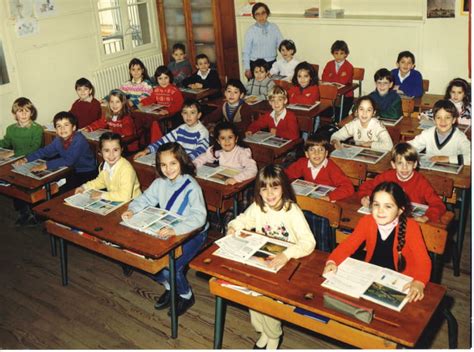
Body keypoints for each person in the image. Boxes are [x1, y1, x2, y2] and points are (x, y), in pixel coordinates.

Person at [227, 164, 315, 349]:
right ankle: (263, 331)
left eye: (275, 187)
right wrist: (234, 225)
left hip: (288, 263)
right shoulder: (259, 207)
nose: (269, 193)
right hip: (264, 259)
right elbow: (243, 219)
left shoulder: (292, 211)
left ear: (283, 187)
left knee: (267, 300)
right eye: (264, 188)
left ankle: (273, 337)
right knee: (251, 292)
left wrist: (286, 254)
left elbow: (308, 242)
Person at [122, 142, 208, 316]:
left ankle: (185, 295)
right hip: (167, 227)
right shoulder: (160, 182)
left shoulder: (191, 186)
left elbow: (199, 217)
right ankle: (171, 287)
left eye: (173, 164)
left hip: (192, 232)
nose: (168, 169)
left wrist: (176, 230)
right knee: (149, 262)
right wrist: (132, 209)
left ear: (182, 162)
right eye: (163, 165)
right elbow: (144, 199)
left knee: (171, 267)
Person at [323, 182, 431, 303]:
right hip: (371, 277)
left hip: (401, 282)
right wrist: (332, 261)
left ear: (400, 210)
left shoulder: (411, 227)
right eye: (376, 205)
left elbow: (423, 260)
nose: (380, 211)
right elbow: (348, 245)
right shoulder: (367, 221)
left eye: (388, 206)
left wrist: (419, 282)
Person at [285, 133, 354, 251]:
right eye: (312, 150)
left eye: (321, 150)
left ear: (326, 153)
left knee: (317, 221)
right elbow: (286, 175)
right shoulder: (302, 163)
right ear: (307, 154)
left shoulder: (330, 167)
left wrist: (329, 197)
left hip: (324, 207)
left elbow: (348, 187)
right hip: (309, 203)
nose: (316, 154)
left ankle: (321, 250)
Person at [358, 143, 446, 223]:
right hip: (387, 219)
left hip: (410, 223)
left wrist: (427, 217)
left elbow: (438, 204)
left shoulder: (421, 182)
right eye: (400, 163)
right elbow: (365, 187)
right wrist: (365, 197)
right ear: (393, 164)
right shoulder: (386, 176)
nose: (404, 168)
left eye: (408, 163)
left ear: (415, 164)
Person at [16, 111, 97, 192]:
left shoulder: (79, 139)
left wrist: (45, 165)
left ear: (74, 127)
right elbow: (45, 151)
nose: (62, 129)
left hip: (87, 172)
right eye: (59, 126)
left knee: (63, 191)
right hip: (71, 170)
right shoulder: (58, 139)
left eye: (66, 125)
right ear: (56, 130)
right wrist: (26, 159)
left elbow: (69, 160)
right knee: (47, 187)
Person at [0, 97, 43, 226]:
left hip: (33, 160)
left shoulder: (37, 129)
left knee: (27, 185)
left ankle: (35, 213)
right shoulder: (11, 129)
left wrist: (13, 152)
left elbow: (34, 148)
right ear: (15, 114)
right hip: (17, 162)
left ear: (32, 113)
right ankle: (23, 212)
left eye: (27, 111)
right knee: (12, 181)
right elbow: (6, 143)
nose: (23, 114)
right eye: (20, 111)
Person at [134, 99, 209, 161]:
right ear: (181, 114)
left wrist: (185, 160)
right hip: (179, 160)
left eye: (192, 113)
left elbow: (200, 151)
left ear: (199, 115)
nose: (188, 116)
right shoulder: (181, 129)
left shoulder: (202, 132)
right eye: (185, 113)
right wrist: (146, 150)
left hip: (192, 162)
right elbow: (163, 141)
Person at [75, 132, 141, 202]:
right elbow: (100, 181)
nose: (111, 155)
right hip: (118, 201)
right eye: (107, 150)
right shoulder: (105, 165)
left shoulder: (126, 169)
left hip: (134, 204)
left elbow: (125, 196)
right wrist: (84, 187)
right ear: (100, 152)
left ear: (121, 150)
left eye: (115, 150)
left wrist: (102, 195)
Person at [193, 121, 257, 185]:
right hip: (222, 181)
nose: (227, 141)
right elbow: (203, 157)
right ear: (218, 141)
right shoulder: (217, 151)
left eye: (230, 137)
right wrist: (193, 166)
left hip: (237, 183)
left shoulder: (241, 153)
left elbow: (253, 169)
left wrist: (236, 179)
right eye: (223, 138)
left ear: (236, 139)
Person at [409, 99, 471, 165]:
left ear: (454, 120)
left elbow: (470, 157)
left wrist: (447, 158)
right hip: (431, 171)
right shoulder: (427, 134)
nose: (443, 121)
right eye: (438, 118)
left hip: (451, 173)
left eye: (447, 117)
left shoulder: (460, 137)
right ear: (434, 120)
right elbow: (411, 147)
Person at [242, 2, 283, 79]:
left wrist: (287, 60)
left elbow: (281, 45)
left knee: (270, 89)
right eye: (257, 14)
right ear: (254, 16)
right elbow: (246, 52)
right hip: (255, 65)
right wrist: (247, 68)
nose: (261, 16)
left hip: (271, 64)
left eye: (263, 13)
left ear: (267, 13)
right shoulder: (251, 31)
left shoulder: (274, 28)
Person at [321, 40, 354, 118]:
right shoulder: (329, 64)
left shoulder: (349, 66)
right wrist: (336, 78)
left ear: (346, 54)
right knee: (323, 110)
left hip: (345, 96)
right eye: (336, 53)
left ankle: (337, 124)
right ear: (333, 53)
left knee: (340, 115)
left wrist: (331, 76)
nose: (338, 56)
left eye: (341, 53)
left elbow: (343, 81)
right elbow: (324, 78)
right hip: (330, 94)